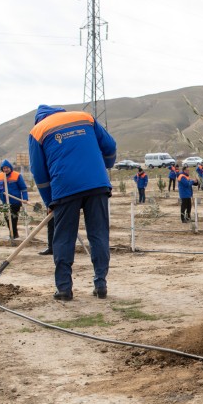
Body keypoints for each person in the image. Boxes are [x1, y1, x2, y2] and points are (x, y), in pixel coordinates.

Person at [29, 104, 117, 301]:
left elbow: (39, 172)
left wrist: (49, 201)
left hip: (65, 188)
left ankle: (64, 289)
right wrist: (105, 166)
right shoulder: (85, 117)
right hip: (97, 185)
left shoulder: (38, 131)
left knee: (63, 239)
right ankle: (101, 284)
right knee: (99, 234)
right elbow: (110, 147)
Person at [0, 159, 29, 239]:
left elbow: (23, 188)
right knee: (6, 218)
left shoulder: (17, 175)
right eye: (4, 168)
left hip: (15, 201)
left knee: (13, 218)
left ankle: (13, 234)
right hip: (4, 201)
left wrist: (25, 198)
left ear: (10, 168)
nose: (5, 169)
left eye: (7, 168)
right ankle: (13, 233)